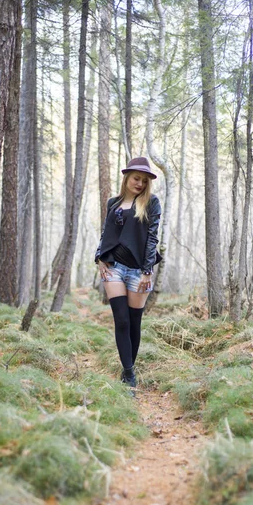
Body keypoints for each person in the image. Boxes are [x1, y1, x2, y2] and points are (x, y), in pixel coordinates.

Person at [95, 157, 162, 395]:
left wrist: (147, 271)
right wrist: (99, 257)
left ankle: (127, 371)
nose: (140, 184)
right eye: (136, 178)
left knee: (134, 323)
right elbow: (105, 233)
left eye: (144, 181)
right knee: (121, 320)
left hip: (138, 271)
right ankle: (130, 375)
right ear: (126, 177)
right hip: (113, 266)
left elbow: (152, 238)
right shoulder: (113, 203)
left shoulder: (152, 203)